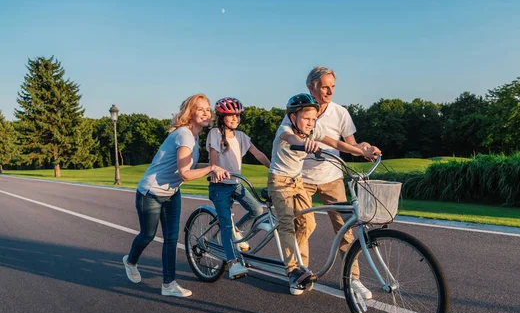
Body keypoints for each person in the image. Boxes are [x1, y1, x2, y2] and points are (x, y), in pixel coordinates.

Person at [269, 93, 379, 296]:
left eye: (313, 119)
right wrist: (304, 144)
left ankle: (304, 267)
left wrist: (362, 152)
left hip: (298, 181)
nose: (310, 123)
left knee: (308, 224)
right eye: (306, 118)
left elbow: (338, 144)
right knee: (287, 223)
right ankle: (293, 270)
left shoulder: (313, 130)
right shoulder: (285, 130)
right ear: (293, 118)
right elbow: (291, 138)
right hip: (280, 182)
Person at [122, 93, 229, 298]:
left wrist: (211, 166)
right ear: (190, 113)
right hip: (151, 192)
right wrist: (211, 168)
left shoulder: (194, 137)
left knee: (171, 238)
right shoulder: (185, 135)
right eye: (201, 109)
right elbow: (185, 174)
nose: (207, 113)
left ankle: (168, 284)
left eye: (208, 109)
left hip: (171, 192)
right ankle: (130, 261)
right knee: (148, 235)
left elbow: (189, 166)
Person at [207, 97, 270, 280]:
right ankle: (233, 263)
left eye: (237, 115)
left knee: (257, 209)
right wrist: (215, 169)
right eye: (231, 116)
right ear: (221, 117)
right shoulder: (215, 133)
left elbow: (257, 153)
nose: (235, 119)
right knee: (226, 224)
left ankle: (237, 232)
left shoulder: (241, 136)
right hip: (219, 186)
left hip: (236, 184)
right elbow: (213, 156)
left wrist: (273, 168)